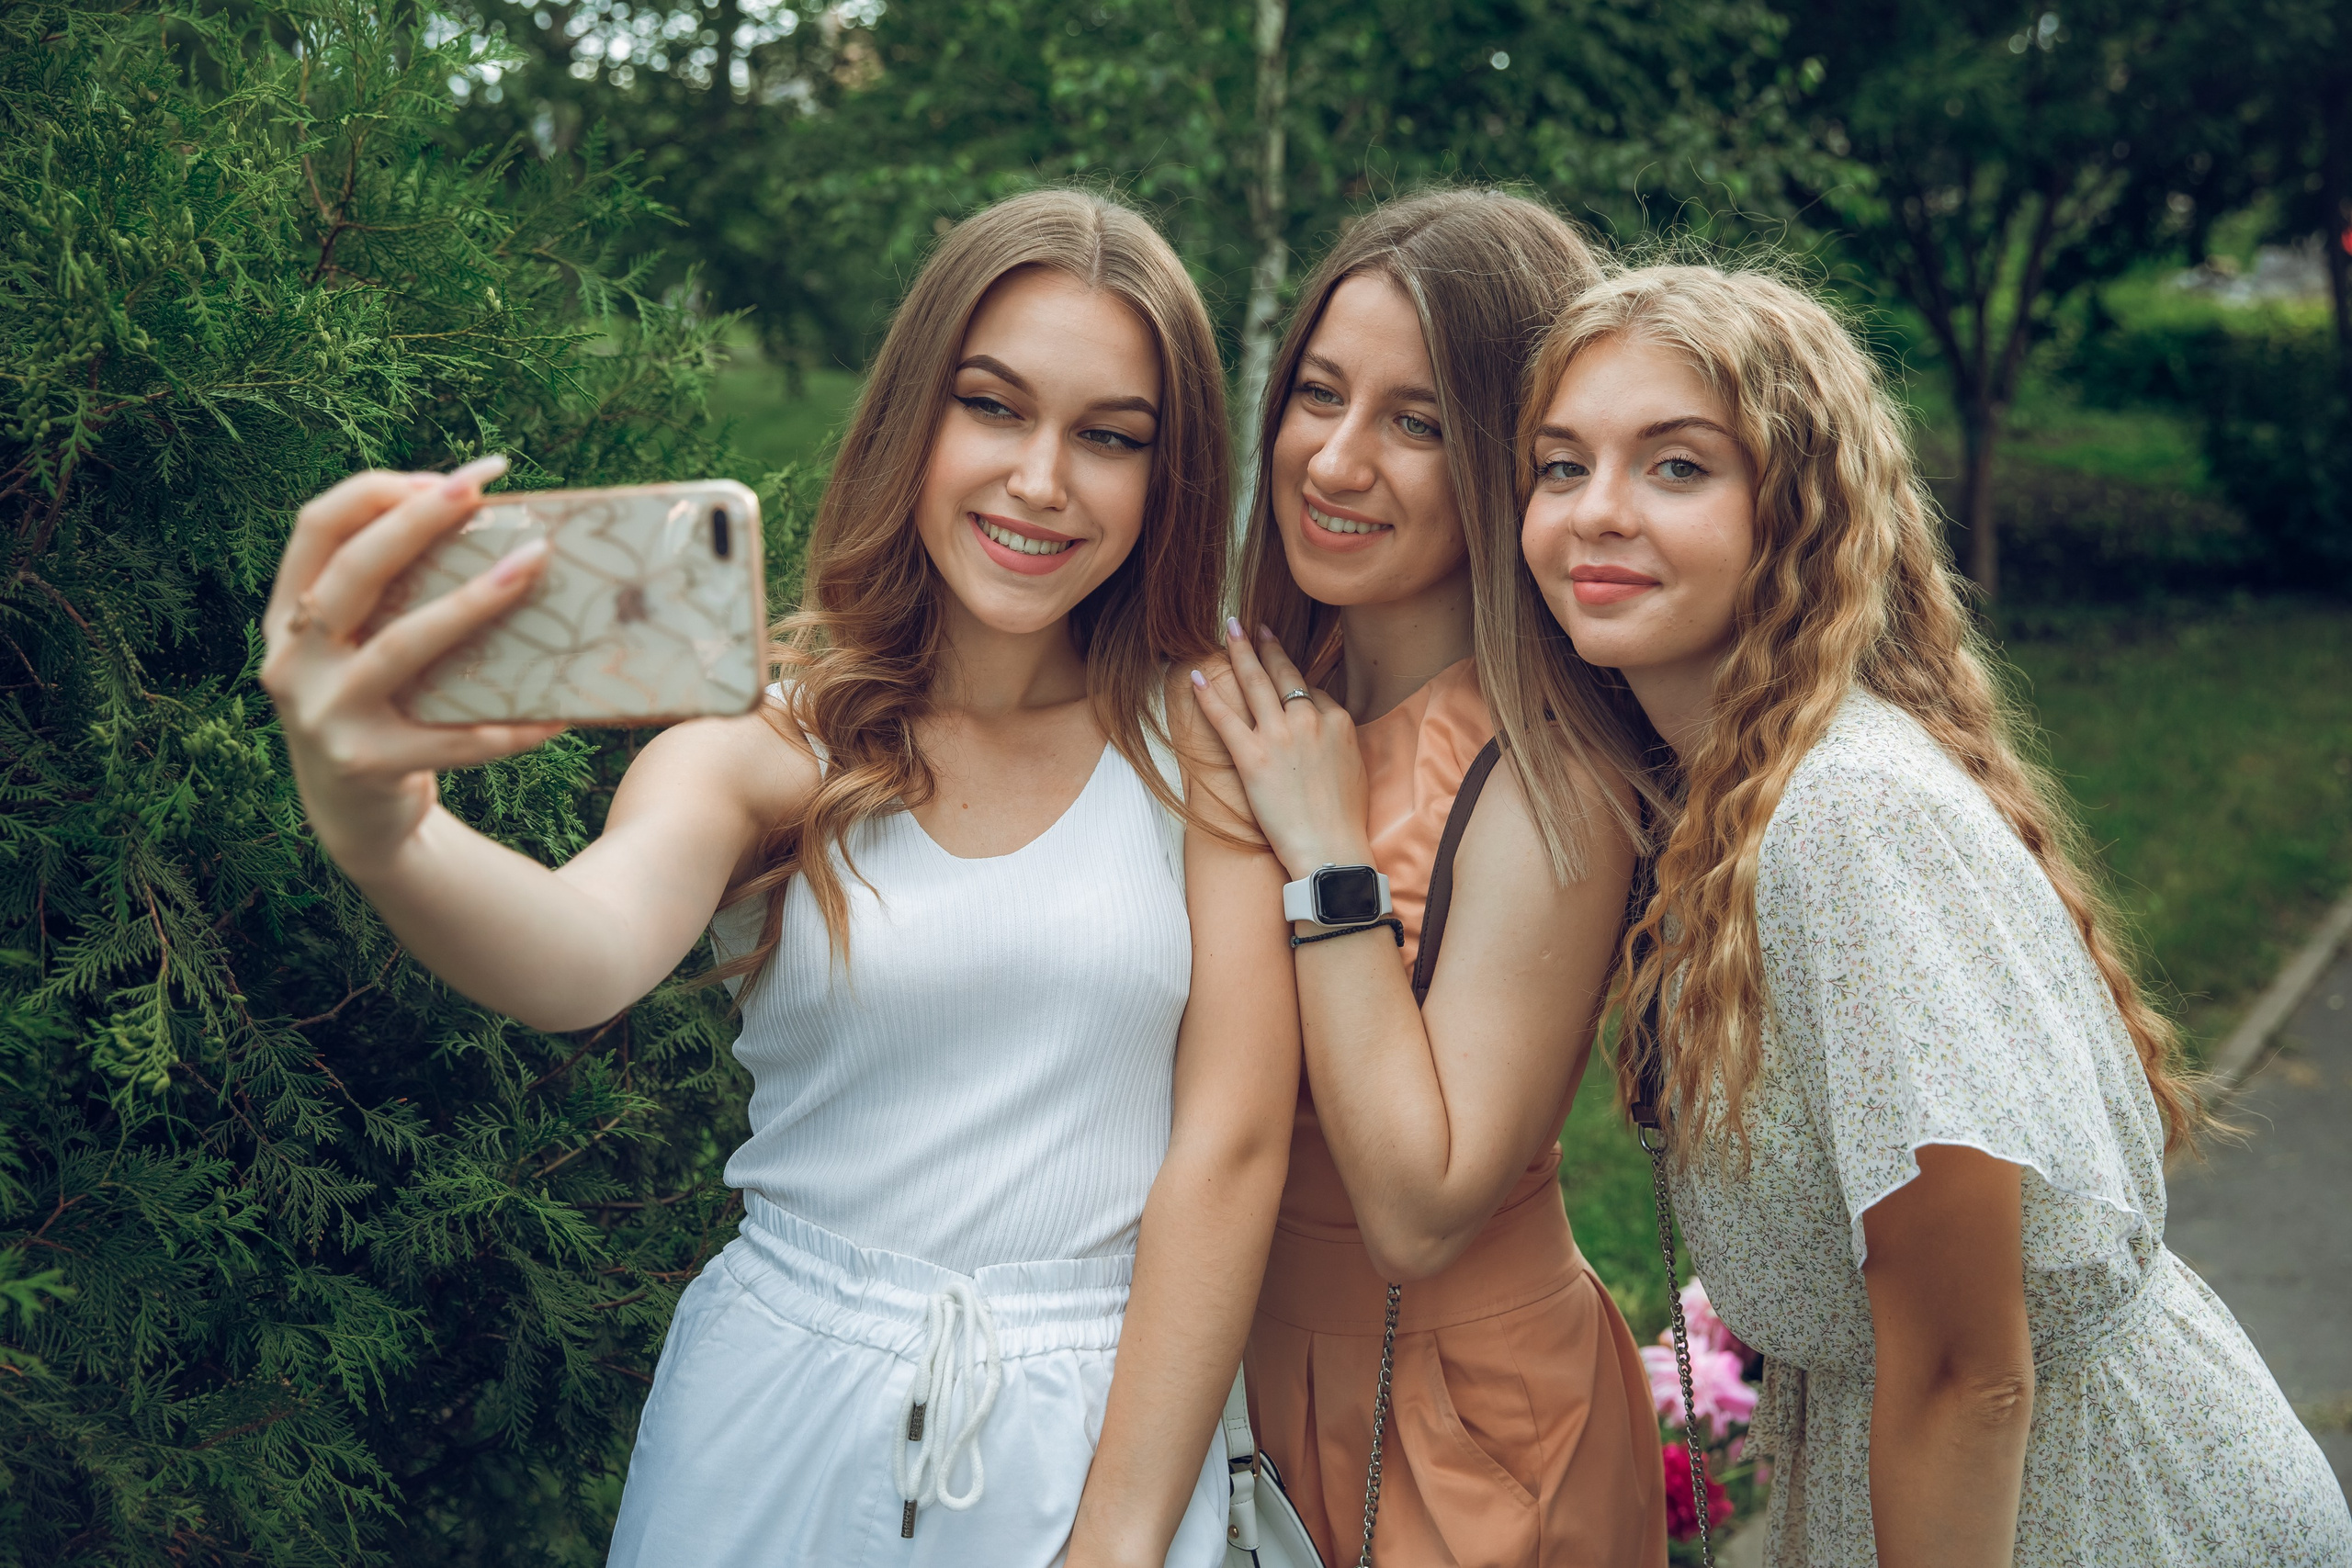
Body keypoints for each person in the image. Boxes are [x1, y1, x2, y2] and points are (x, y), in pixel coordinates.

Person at [259, 189, 1301, 1568]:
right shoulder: (772, 743)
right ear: (911, 419)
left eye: (1110, 437)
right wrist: (385, 825)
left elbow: (1231, 1148)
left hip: (1098, 1418)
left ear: (1169, 480)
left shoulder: (1199, 747)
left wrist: (1115, 1541)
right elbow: (577, 954)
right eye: (992, 408)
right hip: (779, 1410)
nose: (1044, 479)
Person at [1514, 261, 2352, 1567]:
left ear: (1796, 515)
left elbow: (1970, 1371)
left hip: (2091, 1516)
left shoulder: (1848, 820)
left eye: (1676, 467)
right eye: (1562, 467)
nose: (1594, 514)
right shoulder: (1735, 803)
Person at [1189, 189, 1668, 1567]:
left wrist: (1329, 857)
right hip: (1235, 1386)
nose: (1336, 462)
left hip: (1455, 1426)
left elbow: (1418, 1206)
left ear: (1513, 462)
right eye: (1319, 396)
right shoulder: (1277, 693)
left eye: (1417, 423)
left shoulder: (1548, 782)